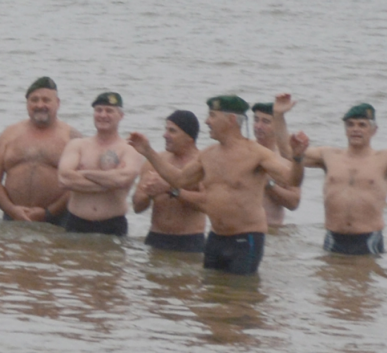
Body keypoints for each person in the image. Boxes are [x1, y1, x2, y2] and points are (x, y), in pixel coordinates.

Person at [127, 95, 300, 274]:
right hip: (215, 238)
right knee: (211, 289)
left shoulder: (258, 154)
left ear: (231, 119)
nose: (207, 121)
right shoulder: (208, 155)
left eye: (212, 115)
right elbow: (179, 180)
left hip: (246, 238)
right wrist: (148, 151)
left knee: (241, 291)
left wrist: (298, 158)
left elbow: (291, 180)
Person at [284, 101, 387, 256]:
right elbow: (287, 151)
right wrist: (279, 116)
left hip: (368, 240)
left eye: (362, 125)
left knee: (365, 275)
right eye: (350, 124)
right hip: (333, 237)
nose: (355, 129)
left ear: (374, 130)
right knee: (329, 274)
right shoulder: (328, 155)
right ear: (345, 129)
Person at [51, 92, 143, 235]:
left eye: (109, 111)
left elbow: (122, 180)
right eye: (98, 110)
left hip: (112, 225)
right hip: (76, 222)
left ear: (121, 116)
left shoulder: (130, 149)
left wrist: (84, 173)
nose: (103, 115)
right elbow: (64, 179)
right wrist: (110, 182)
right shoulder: (77, 145)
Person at [0, 77, 79, 223]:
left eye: (46, 100)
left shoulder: (71, 137)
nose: (40, 105)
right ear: (27, 103)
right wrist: (11, 209)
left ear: (57, 103)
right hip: (12, 218)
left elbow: (78, 185)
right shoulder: (9, 134)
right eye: (34, 100)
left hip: (57, 220)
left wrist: (48, 213)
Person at [133, 110, 210, 253]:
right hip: (156, 237)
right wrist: (148, 193)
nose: (165, 135)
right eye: (166, 129)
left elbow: (207, 204)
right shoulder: (155, 162)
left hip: (190, 240)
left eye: (172, 131)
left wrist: (171, 190)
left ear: (189, 138)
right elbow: (137, 207)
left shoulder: (202, 164)